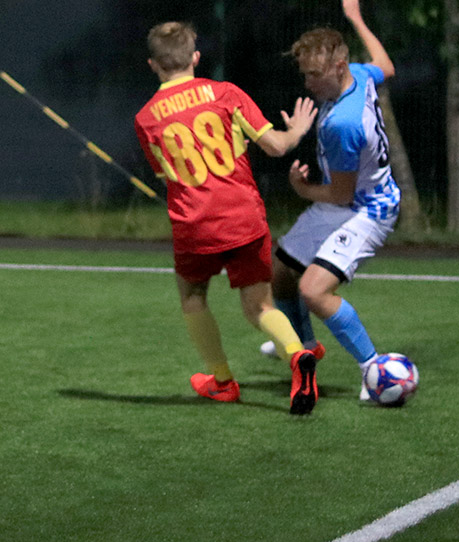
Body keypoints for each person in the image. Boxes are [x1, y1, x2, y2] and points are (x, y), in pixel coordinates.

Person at [133, 21, 321, 413]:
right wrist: (297, 131)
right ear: (195, 57)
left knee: (193, 297)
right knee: (260, 307)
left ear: (153, 64)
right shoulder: (225, 93)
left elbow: (168, 173)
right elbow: (275, 146)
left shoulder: (146, 118)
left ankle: (222, 381)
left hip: (195, 225)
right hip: (244, 218)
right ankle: (297, 353)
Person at [267, 0, 401, 401]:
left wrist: (302, 188)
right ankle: (304, 348)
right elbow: (386, 66)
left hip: (367, 209)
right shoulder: (358, 74)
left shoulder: (342, 123)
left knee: (312, 290)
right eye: (304, 74)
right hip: (349, 200)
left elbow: (341, 195)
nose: (307, 83)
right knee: (279, 272)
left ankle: (374, 370)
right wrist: (355, 16)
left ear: (339, 66)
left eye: (314, 75)